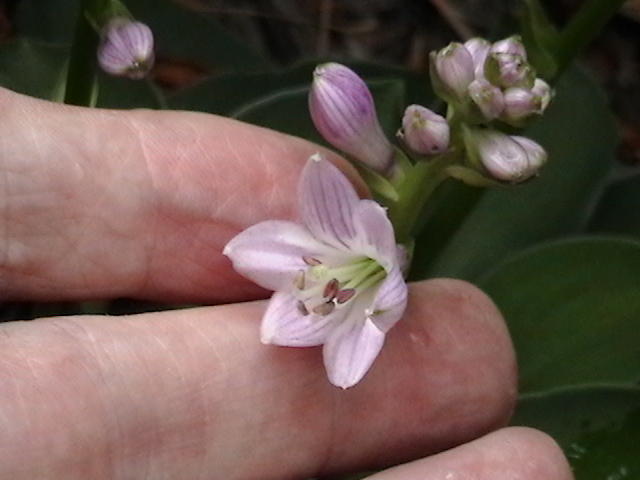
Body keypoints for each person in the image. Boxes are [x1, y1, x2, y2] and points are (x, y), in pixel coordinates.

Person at [0, 87, 572, 479]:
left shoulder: (368, 263)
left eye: (364, 277)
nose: (330, 289)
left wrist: (378, 271)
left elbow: (359, 327)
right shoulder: (338, 250)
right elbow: (294, 286)